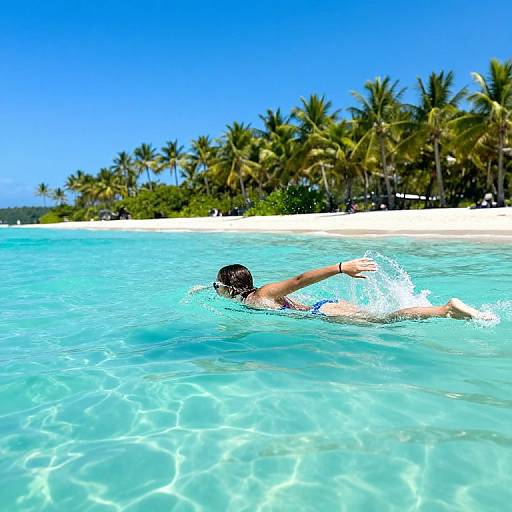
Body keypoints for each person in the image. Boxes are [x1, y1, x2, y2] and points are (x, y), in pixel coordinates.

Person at [213, 260, 493, 323]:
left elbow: (299, 279)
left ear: (228, 286)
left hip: (323, 310)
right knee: (381, 317)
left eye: (217, 285)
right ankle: (444, 310)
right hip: (324, 307)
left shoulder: (262, 295)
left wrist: (340, 267)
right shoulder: (247, 299)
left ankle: (446, 309)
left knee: (384, 320)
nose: (215, 289)